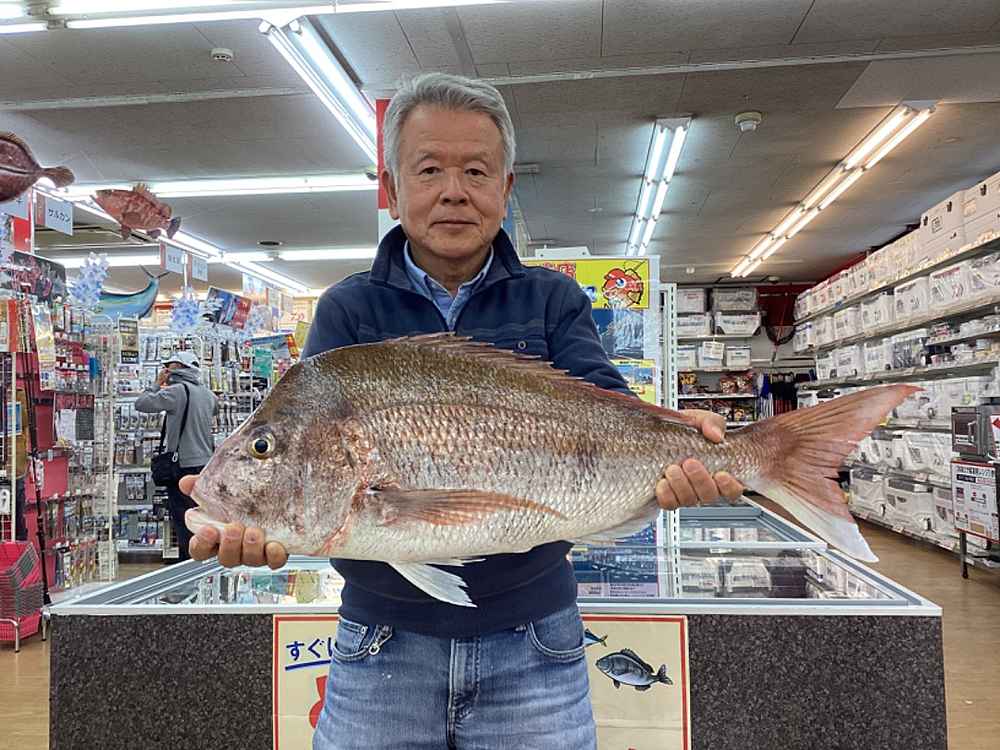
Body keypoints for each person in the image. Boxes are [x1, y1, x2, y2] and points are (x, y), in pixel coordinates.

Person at [185, 73, 743, 748]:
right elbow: (305, 447)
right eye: (429, 170)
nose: (454, 190)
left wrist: (684, 450)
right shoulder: (347, 310)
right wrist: (252, 520)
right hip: (380, 646)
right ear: (391, 189)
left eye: (476, 171)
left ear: (505, 189)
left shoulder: (553, 301)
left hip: (536, 644)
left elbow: (612, 413)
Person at [136, 350, 218, 562]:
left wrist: (156, 383)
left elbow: (142, 403)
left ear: (180, 368)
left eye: (170, 366)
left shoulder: (177, 392)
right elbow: (214, 411)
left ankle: (188, 566)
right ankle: (204, 562)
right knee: (201, 517)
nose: (166, 369)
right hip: (206, 465)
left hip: (182, 465)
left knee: (183, 520)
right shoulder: (208, 394)